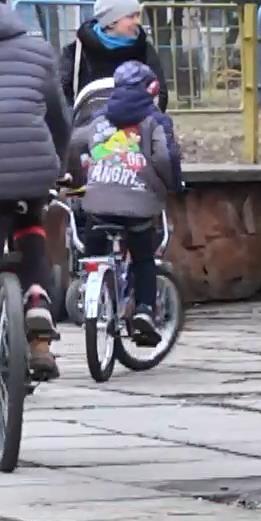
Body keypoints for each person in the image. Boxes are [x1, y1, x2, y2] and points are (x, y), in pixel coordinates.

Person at [0, 0, 71, 379]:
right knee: (28, 221)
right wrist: (61, 163)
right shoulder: (37, 50)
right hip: (32, 164)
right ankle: (37, 304)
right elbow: (58, 118)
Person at [65, 62, 183, 346]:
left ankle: (92, 284)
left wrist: (76, 178)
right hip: (138, 202)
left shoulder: (97, 119)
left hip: (97, 200)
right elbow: (165, 158)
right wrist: (174, 184)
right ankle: (143, 309)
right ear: (151, 91)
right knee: (143, 255)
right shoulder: (156, 121)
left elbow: (73, 145)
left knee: (95, 245)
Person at [59, 0, 167, 109]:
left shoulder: (144, 49)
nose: (137, 21)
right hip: (89, 123)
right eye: (131, 16)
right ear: (110, 22)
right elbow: (63, 94)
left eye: (138, 15)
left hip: (136, 122)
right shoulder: (77, 51)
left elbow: (160, 93)